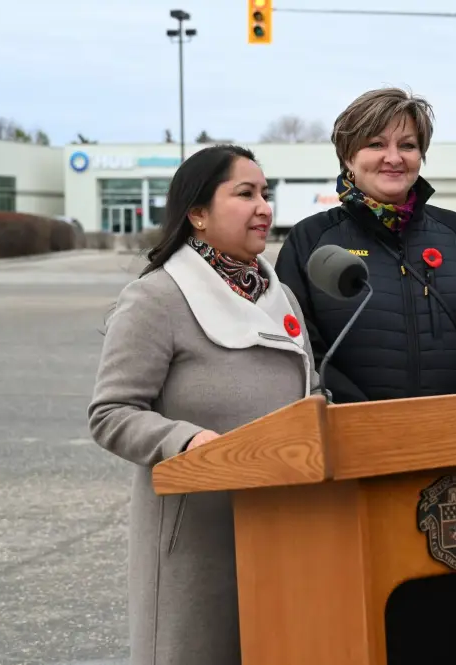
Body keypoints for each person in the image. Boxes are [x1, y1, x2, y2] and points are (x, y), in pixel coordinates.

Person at [88, 144, 318, 665]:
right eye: (245, 193)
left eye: (265, 193)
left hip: (286, 523)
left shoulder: (280, 296)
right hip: (196, 539)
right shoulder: (157, 297)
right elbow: (111, 412)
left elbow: (308, 388)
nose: (264, 206)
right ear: (197, 213)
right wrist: (188, 442)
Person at [274, 87, 456, 403]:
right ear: (348, 157)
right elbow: (298, 346)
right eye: (376, 144)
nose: (393, 158)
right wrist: (364, 418)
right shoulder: (309, 240)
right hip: (352, 437)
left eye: (407, 145)